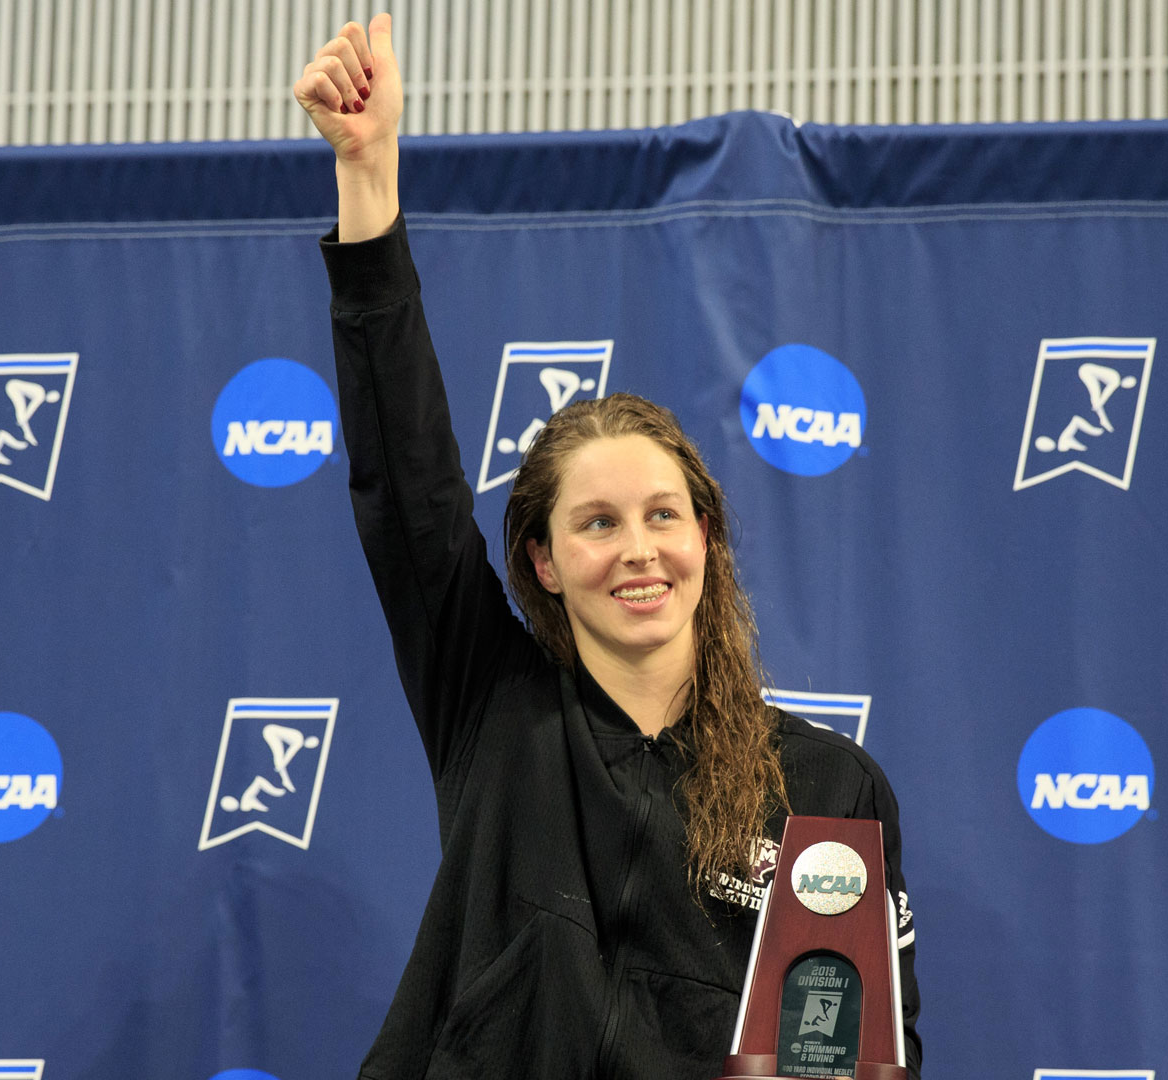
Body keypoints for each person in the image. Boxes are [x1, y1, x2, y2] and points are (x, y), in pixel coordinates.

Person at [295, 17, 921, 1078]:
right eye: (597, 523)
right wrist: (369, 179)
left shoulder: (826, 786)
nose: (639, 551)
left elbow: (870, 1052)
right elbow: (408, 486)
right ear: (542, 561)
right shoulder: (493, 709)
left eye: (663, 516)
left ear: (707, 539)